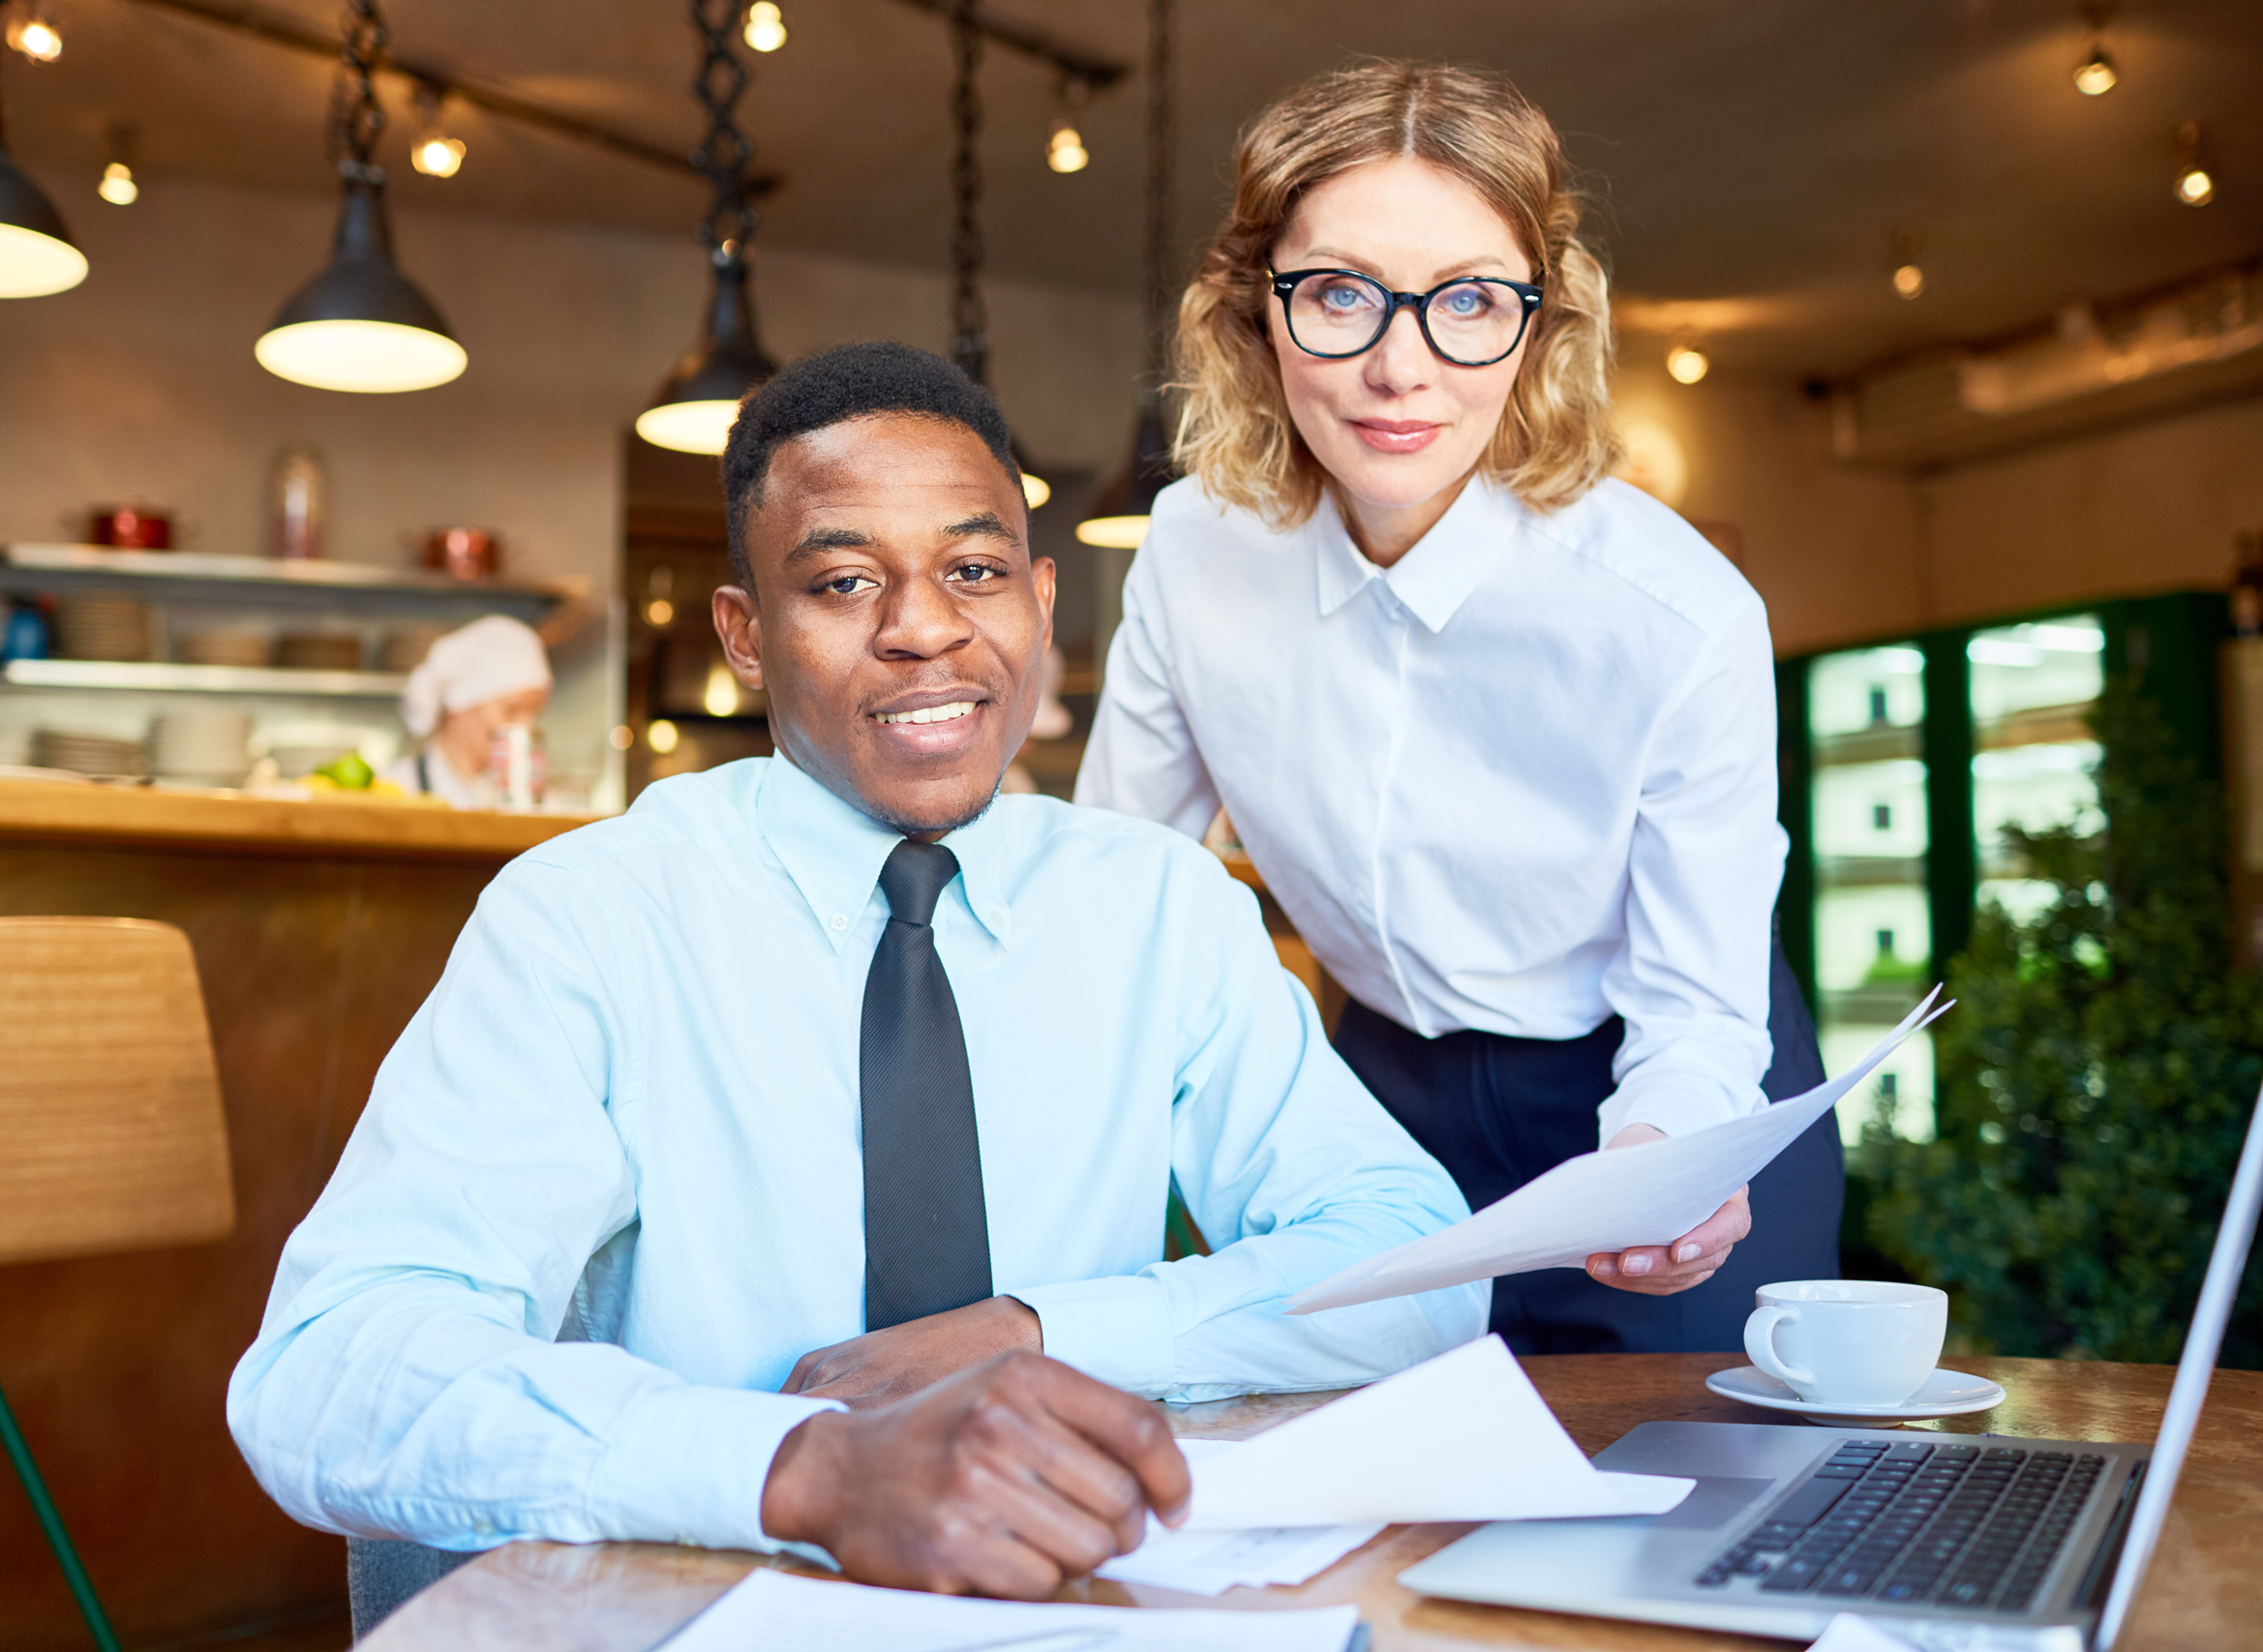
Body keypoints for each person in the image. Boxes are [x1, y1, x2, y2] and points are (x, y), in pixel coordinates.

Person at [228, 342, 1486, 1631]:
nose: (926, 625)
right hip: (714, 1595)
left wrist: (1036, 1331)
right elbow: (335, 1368)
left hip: (1062, 1591)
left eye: (976, 570)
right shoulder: (591, 918)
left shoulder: (1159, 906)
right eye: (841, 580)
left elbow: (1418, 1263)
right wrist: (804, 1468)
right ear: (747, 637)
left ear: (1041, 605)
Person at [1075, 61, 1838, 1357]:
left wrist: (1661, 1165)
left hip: (1649, 1083)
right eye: (1337, 294)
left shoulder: (1677, 616)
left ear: (1543, 323)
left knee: (1688, 1502)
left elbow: (1699, 1007)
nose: (1397, 366)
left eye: (1470, 302)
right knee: (1383, 1516)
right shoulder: (1194, 551)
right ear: (1256, 311)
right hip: (1377, 1092)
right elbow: (1115, 889)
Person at [381, 614, 553, 806]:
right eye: (512, 710)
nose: (526, 727)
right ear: (459, 706)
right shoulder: (394, 792)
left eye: (535, 713)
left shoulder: (533, 802)